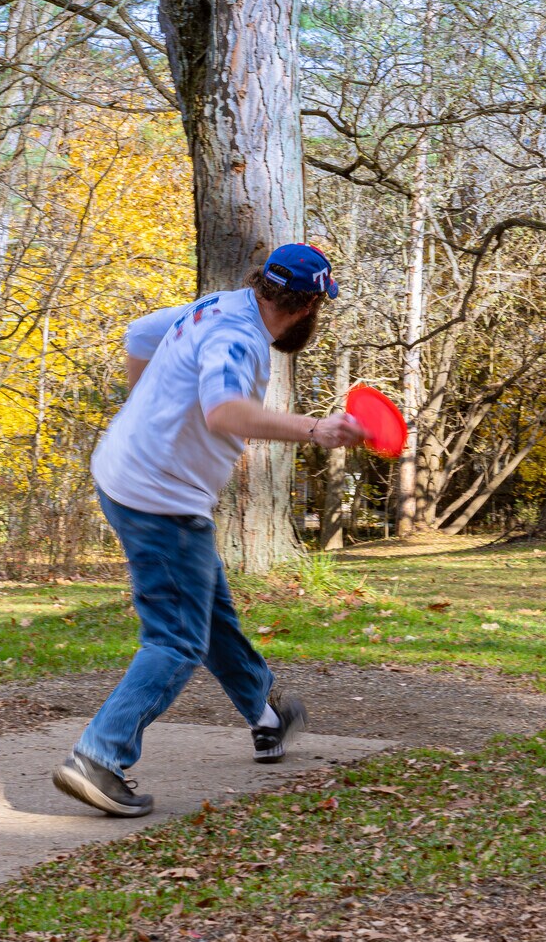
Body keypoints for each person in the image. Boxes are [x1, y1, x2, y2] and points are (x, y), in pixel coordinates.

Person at [52, 243, 366, 817]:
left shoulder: (217, 305)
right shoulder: (240, 338)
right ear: (309, 306)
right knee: (176, 639)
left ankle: (266, 716)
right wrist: (315, 428)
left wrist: (148, 412)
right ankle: (99, 755)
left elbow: (138, 335)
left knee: (209, 606)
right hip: (159, 497)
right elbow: (223, 411)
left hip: (126, 472)